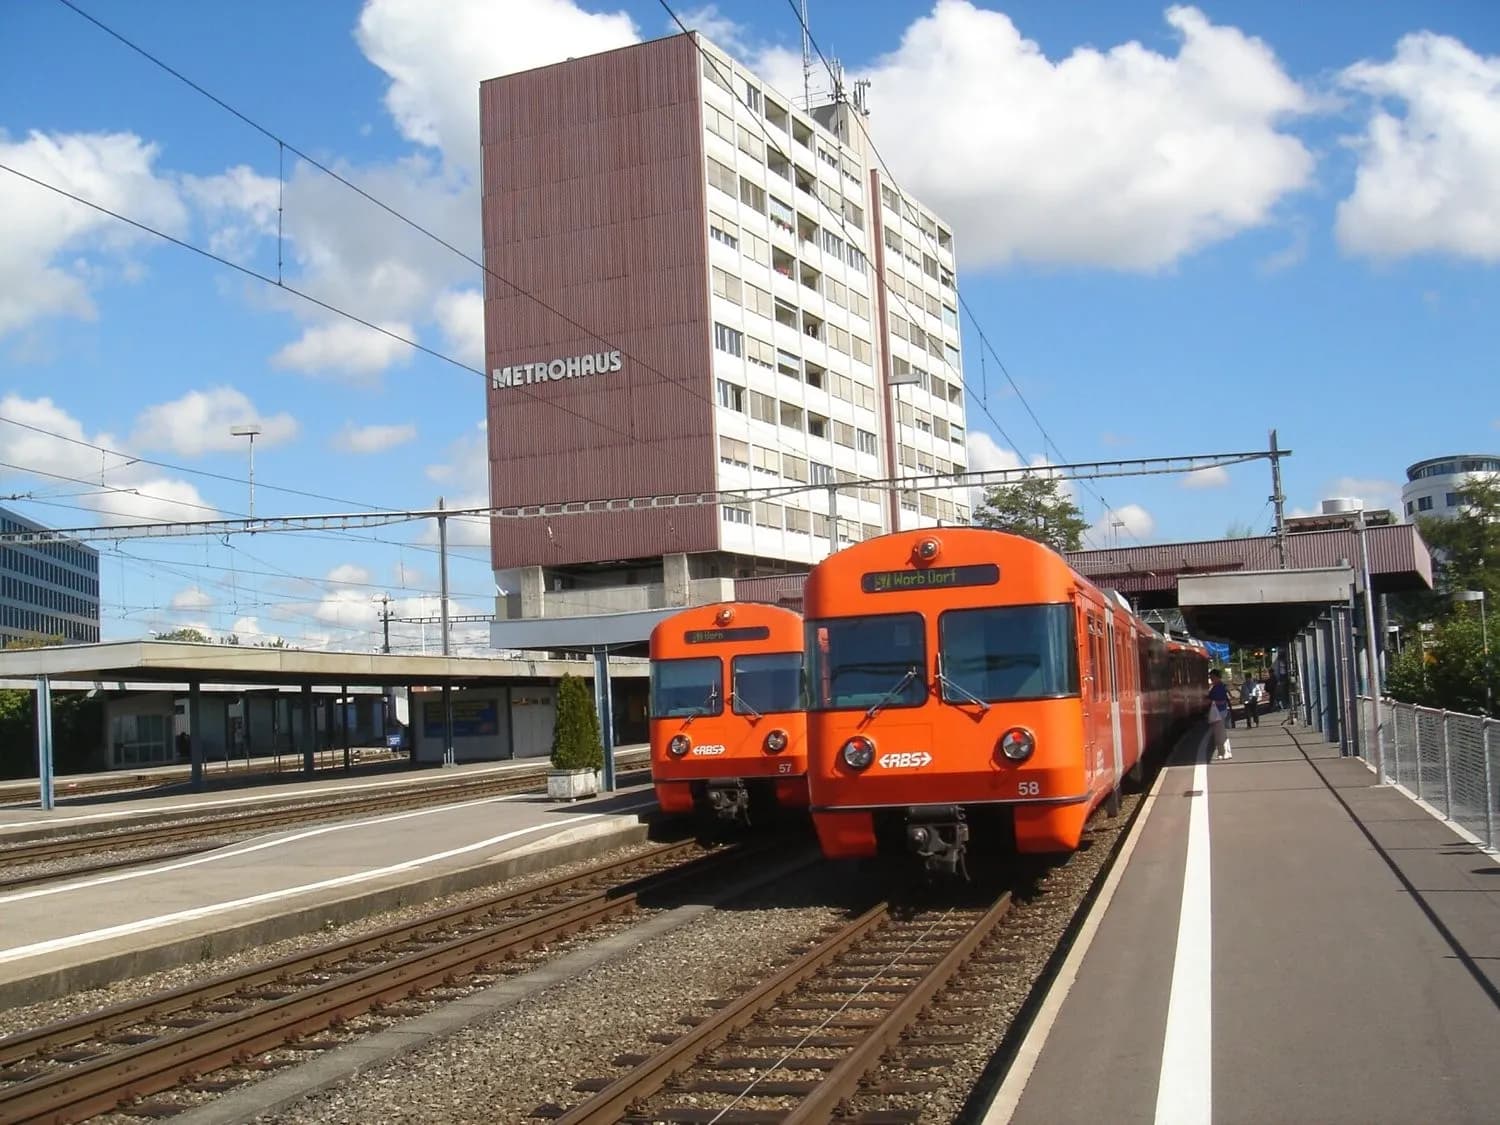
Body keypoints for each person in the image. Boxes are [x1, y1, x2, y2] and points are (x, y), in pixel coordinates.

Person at [1206, 669, 1232, 760]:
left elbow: (1221, 701)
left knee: (1220, 734)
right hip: (1219, 712)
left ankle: (1225, 752)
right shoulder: (1217, 686)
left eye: (1212, 677)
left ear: (1216, 677)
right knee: (1219, 734)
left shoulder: (1219, 687)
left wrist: (1212, 701)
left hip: (1219, 712)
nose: (1211, 679)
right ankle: (1222, 752)